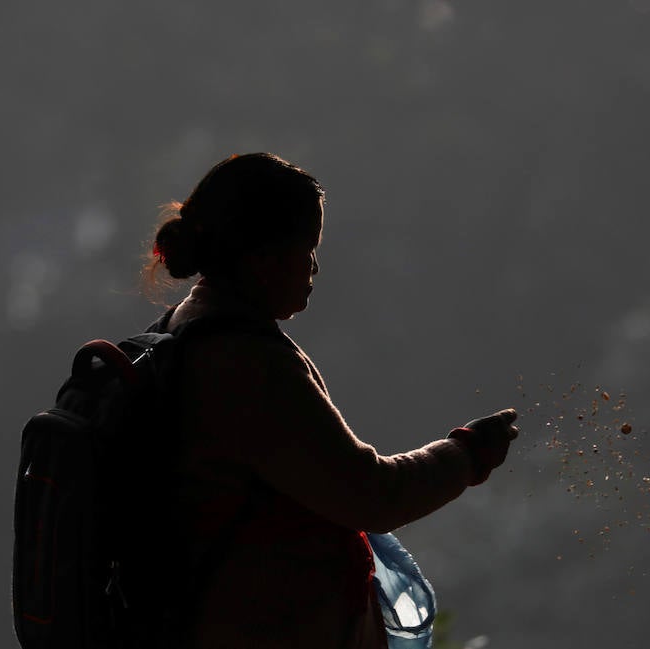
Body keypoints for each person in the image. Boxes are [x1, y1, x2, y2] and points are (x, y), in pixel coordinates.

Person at [143, 152, 519, 649]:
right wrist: (467, 454)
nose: (315, 266)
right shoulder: (245, 365)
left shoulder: (178, 333)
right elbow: (370, 493)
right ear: (264, 257)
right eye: (308, 248)